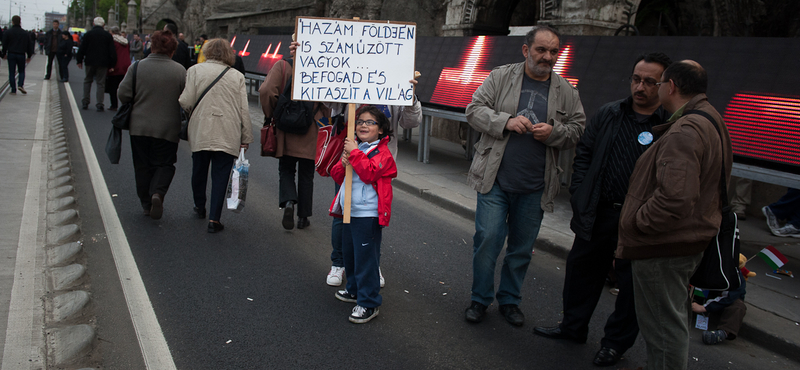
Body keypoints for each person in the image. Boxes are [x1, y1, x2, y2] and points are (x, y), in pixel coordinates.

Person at [533, 53, 672, 366]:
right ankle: (572, 327)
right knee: (581, 273)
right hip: (599, 211)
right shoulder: (610, 113)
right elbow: (584, 153)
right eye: (637, 79)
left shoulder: (668, 125)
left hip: (639, 220)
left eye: (650, 82)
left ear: (664, 85)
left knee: (632, 286)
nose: (641, 87)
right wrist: (580, 192)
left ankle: (614, 344)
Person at [463, 25, 585, 326]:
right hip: (495, 180)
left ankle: (510, 300)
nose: (547, 56)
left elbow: (579, 130)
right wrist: (504, 121)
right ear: (526, 50)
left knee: (520, 249)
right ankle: (480, 299)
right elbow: (474, 109)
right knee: (488, 238)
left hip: (535, 186)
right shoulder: (501, 76)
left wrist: (554, 132)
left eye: (553, 51)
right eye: (541, 49)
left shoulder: (567, 91)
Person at [616, 60, 732, 370]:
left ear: (672, 87)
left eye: (658, 83)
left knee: (663, 326)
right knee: (670, 318)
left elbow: (675, 199)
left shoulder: (685, 130)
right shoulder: (709, 118)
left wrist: (636, 223)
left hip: (663, 246)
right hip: (685, 240)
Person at [329, 105, 398, 324]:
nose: (363, 125)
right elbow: (338, 175)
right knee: (350, 254)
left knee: (366, 259)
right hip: (349, 210)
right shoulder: (355, 148)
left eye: (370, 122)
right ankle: (354, 289)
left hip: (367, 214)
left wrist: (355, 153)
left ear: (381, 129)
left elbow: (369, 173)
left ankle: (369, 302)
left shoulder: (383, 153)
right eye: (360, 122)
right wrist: (343, 161)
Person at [179, 38, 253, 233]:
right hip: (228, 131)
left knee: (199, 169)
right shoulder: (236, 76)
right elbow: (243, 110)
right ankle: (214, 219)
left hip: (201, 127)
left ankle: (199, 205)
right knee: (221, 175)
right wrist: (246, 137)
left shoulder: (194, 71)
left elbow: (185, 100)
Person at [118, 30, 186, 220]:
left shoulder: (137, 67)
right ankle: (158, 192)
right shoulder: (179, 70)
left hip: (139, 126)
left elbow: (123, 94)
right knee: (165, 163)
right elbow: (186, 99)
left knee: (142, 165)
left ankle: (146, 204)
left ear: (151, 46)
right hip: (168, 127)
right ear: (172, 50)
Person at [258, 38, 322, 232]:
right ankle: (303, 217)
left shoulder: (284, 66)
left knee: (286, 169)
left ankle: (288, 202)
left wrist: (272, 113)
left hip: (286, 128)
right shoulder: (323, 68)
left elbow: (266, 90)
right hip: (311, 128)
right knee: (306, 174)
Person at [691, 270, 747, 345]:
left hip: (722, 303)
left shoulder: (734, 274)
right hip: (703, 297)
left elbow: (730, 297)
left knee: (738, 307)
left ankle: (723, 332)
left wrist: (705, 307)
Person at [76, 17, 116, 111]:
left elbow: (82, 48)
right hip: (103, 63)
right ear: (103, 25)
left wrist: (79, 60)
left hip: (89, 61)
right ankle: (99, 104)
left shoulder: (88, 34)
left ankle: (85, 101)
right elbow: (112, 51)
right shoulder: (107, 35)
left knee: (87, 81)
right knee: (100, 83)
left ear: (93, 24)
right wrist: (112, 64)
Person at [0, 16, 33, 95]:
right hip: (21, 54)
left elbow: (5, 44)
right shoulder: (25, 33)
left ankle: (13, 89)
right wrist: (29, 56)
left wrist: (3, 54)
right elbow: (29, 45)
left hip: (11, 54)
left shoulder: (8, 32)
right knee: (21, 71)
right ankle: (20, 84)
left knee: (11, 72)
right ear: (20, 22)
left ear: (12, 22)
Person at [106, 26, 131, 111]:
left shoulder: (113, 41)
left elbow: (112, 54)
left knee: (113, 88)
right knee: (125, 87)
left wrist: (110, 66)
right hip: (126, 66)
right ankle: (126, 106)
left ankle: (114, 105)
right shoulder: (125, 41)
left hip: (116, 66)